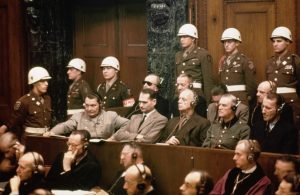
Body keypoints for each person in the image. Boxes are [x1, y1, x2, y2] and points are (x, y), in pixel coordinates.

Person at [266, 26, 300, 147]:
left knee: (292, 134)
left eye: (279, 41)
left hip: (291, 104)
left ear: (288, 42)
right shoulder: (270, 62)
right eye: (274, 41)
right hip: (274, 103)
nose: (275, 44)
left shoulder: (295, 61)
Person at [44, 93, 128, 138]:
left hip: (106, 151)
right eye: (87, 105)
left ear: (100, 104)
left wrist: (115, 137)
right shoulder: (78, 117)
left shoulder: (110, 116)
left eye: (93, 105)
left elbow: (128, 124)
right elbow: (65, 126)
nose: (89, 109)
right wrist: (52, 132)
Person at [0, 67, 52, 136]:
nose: (46, 84)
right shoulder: (24, 101)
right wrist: (4, 128)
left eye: (47, 81)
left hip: (47, 138)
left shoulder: (47, 99)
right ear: (34, 83)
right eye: (42, 81)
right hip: (31, 140)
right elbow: (14, 120)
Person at [175, 23, 214, 103]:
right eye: (180, 37)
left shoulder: (202, 54)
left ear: (193, 38)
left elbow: (207, 81)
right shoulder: (178, 55)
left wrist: (208, 102)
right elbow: (176, 78)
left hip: (196, 94)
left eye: (185, 37)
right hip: (181, 94)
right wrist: (176, 96)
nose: (181, 39)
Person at [218, 28, 256, 105]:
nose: (226, 45)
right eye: (224, 42)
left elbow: (251, 85)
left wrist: (247, 98)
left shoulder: (244, 61)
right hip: (225, 99)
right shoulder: (223, 61)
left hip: (239, 100)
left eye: (229, 42)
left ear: (237, 43)